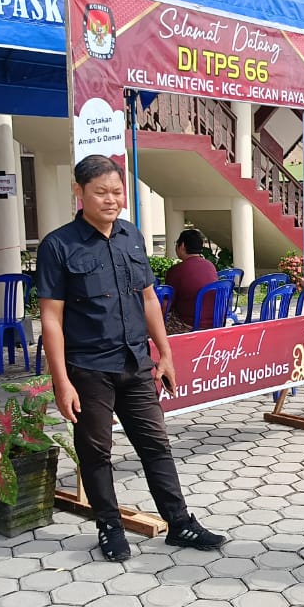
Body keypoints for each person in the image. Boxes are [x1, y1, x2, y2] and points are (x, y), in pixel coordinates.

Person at [37, 154, 226, 562]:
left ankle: (179, 523)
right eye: (100, 192)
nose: (111, 200)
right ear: (79, 192)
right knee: (96, 452)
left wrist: (166, 354)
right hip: (88, 368)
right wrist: (61, 382)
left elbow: (148, 300)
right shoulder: (58, 245)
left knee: (155, 444)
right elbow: (51, 318)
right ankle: (109, 526)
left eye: (117, 192)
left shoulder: (131, 236)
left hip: (136, 362)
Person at [164, 228, 219, 332]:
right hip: (215, 322)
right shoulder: (210, 266)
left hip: (188, 325)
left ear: (182, 246)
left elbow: (167, 303)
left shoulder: (176, 270)